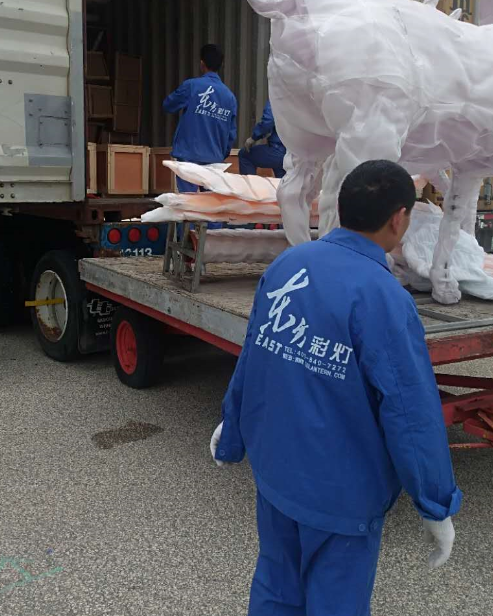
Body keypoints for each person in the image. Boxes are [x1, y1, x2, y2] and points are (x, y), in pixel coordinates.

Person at [210, 160, 462, 616]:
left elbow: (254, 357)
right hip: (341, 496)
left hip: (277, 477)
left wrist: (233, 431)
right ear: (399, 218)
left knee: (276, 587)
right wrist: (435, 505)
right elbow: (410, 413)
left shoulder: (289, 264)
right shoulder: (384, 297)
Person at [163, 44, 237, 193]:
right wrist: (221, 154)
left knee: (188, 201)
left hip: (189, 155)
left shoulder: (192, 86)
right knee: (210, 203)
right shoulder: (230, 97)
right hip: (214, 159)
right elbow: (231, 134)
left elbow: (168, 105)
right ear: (221, 65)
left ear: (202, 63)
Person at [239, 100, 286, 178]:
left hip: (279, 150)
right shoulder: (300, 99)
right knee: (283, 179)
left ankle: (250, 185)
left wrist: (253, 138)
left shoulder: (277, 98)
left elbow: (268, 122)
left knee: (244, 155)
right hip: (297, 155)